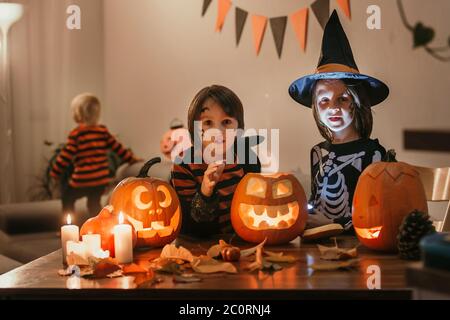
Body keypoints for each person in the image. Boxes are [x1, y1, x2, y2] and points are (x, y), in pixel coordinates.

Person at [288, 11, 389, 231]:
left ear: (358, 102)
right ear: (315, 106)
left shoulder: (374, 154)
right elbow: (316, 203)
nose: (333, 107)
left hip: (359, 247)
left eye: (343, 98)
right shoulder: (318, 152)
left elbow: (377, 213)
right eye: (324, 100)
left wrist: (336, 224)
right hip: (318, 244)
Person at [171, 85, 261, 237]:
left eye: (226, 122)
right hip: (200, 246)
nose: (218, 131)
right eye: (207, 123)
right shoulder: (184, 164)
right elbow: (189, 227)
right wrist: (206, 191)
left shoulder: (247, 159)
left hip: (240, 243)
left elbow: (253, 209)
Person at [50, 93, 140, 218]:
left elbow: (66, 156)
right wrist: (132, 159)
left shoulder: (77, 134)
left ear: (78, 114)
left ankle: (68, 226)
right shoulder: (102, 131)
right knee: (94, 204)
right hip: (100, 180)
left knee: (67, 198)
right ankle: (101, 225)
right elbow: (118, 148)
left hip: (83, 180)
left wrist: (55, 172)